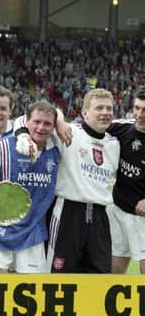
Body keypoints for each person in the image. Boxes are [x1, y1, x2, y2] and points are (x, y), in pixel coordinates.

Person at [0, 101, 60, 273]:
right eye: (36, 122)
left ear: (54, 126)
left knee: (28, 292)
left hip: (33, 232)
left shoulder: (57, 149)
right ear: (26, 122)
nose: (41, 127)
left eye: (47, 123)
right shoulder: (4, 147)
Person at [39, 89, 120, 273]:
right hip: (68, 212)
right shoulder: (69, 132)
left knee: (99, 277)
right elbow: (37, 113)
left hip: (100, 216)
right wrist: (58, 120)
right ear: (85, 113)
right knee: (58, 276)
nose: (105, 112)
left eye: (109, 108)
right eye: (99, 108)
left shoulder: (114, 143)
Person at [104, 87, 145, 274]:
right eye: (137, 108)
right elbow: (88, 127)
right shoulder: (121, 129)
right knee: (113, 272)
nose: (140, 114)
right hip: (119, 211)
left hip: (142, 218)